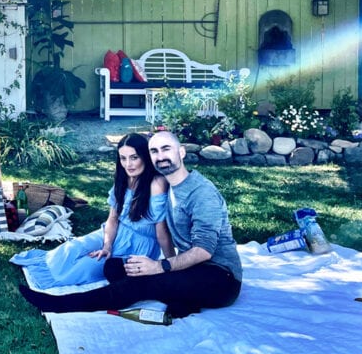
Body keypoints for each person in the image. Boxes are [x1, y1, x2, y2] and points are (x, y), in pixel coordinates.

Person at [18, 130, 242, 319]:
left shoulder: (201, 193)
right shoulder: (169, 186)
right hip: (193, 270)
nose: (160, 156)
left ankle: (56, 304)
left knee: (139, 285)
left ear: (181, 152)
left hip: (221, 278)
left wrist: (160, 265)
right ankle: (183, 302)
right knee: (114, 267)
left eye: (166, 149)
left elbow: (204, 250)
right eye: (154, 151)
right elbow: (156, 226)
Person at [11, 133, 174, 288]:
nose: (128, 164)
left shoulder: (156, 184)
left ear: (145, 157)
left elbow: (162, 233)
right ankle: (40, 265)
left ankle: (49, 278)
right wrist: (107, 245)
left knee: (84, 267)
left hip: (137, 246)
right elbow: (112, 219)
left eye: (134, 158)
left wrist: (171, 266)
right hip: (115, 232)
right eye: (123, 158)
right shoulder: (124, 179)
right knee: (73, 248)